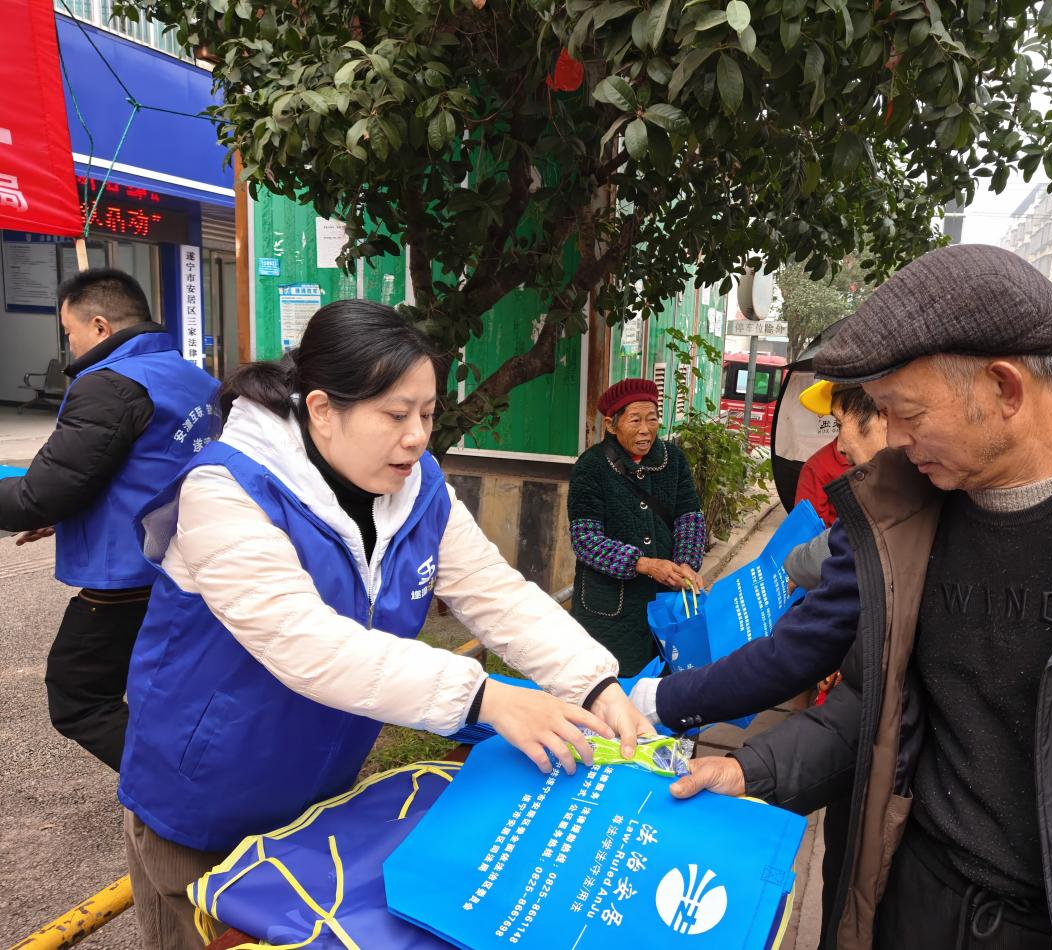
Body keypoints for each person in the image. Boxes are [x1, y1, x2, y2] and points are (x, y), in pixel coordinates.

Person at [670, 244, 1052, 950]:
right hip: (917, 906)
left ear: (1004, 389)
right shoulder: (913, 515)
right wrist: (752, 768)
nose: (893, 441)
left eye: (908, 413)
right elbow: (873, 707)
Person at [116, 301, 651, 949]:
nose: (417, 436)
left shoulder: (417, 488)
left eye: (427, 413)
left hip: (320, 792)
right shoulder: (227, 491)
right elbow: (304, 643)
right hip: (205, 799)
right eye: (396, 415)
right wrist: (485, 697)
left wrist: (592, 682)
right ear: (322, 410)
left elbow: (494, 592)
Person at [0, 269, 219, 771]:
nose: (70, 346)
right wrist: (66, 514)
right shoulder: (195, 379)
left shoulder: (108, 386)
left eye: (70, 332)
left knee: (80, 698)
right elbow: (152, 467)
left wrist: (48, 507)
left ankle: (179, 788)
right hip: (186, 565)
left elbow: (38, 496)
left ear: (99, 326)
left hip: (126, 577)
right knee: (163, 691)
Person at [567, 378, 706, 675]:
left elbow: (689, 517)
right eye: (635, 420)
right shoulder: (591, 466)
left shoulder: (673, 460)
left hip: (666, 602)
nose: (645, 429)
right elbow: (585, 540)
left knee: (665, 685)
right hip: (608, 611)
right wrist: (644, 564)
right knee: (610, 684)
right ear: (611, 424)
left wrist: (686, 563)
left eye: (652, 419)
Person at [794, 381, 888, 524]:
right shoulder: (817, 467)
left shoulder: (915, 468)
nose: (840, 447)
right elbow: (806, 532)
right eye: (838, 424)